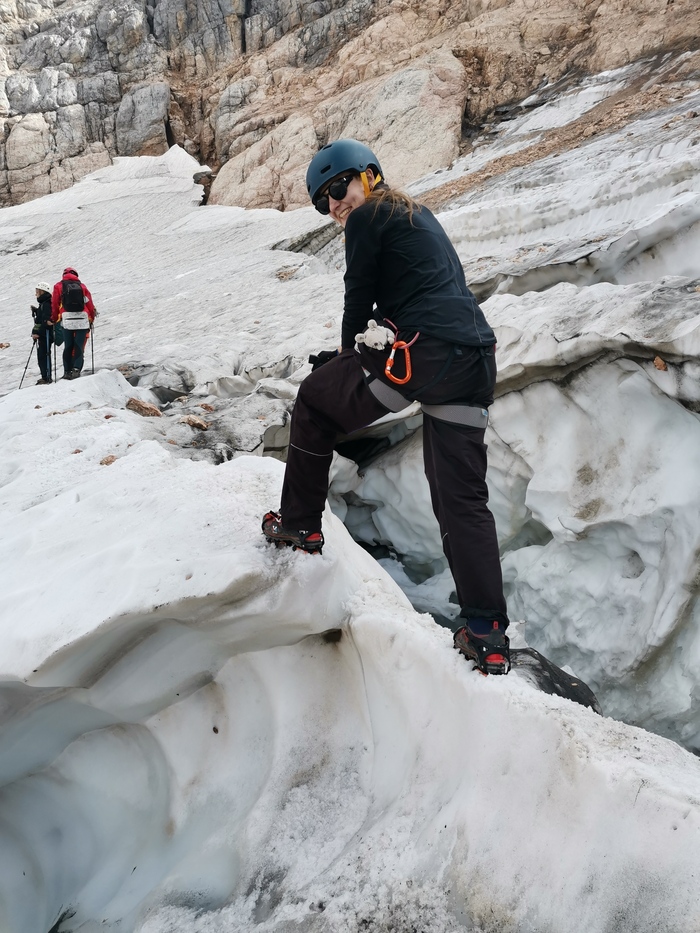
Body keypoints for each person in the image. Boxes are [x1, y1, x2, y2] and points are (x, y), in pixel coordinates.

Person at [262, 139, 511, 675]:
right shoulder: (418, 215)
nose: (334, 205)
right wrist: (352, 354)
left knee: (314, 401)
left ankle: (299, 525)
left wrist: (346, 354)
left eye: (336, 188)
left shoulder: (369, 215)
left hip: (418, 355)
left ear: (368, 175)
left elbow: (359, 296)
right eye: (323, 202)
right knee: (461, 498)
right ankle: (487, 633)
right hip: (472, 360)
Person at [51, 267, 96, 380]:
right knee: (79, 345)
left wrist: (54, 318)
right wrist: (91, 318)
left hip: (66, 319)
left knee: (68, 346)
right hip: (82, 318)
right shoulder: (82, 286)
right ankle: (76, 369)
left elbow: (55, 304)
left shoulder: (58, 286)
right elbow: (89, 303)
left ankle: (67, 371)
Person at [31, 282, 54, 384]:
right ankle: (45, 376)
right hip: (46, 334)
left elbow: (45, 321)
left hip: (45, 335)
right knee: (44, 354)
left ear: (42, 291)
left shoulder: (45, 304)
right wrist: (37, 311)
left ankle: (46, 377)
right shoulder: (45, 303)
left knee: (43, 355)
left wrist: (38, 333)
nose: (36, 294)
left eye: (37, 291)